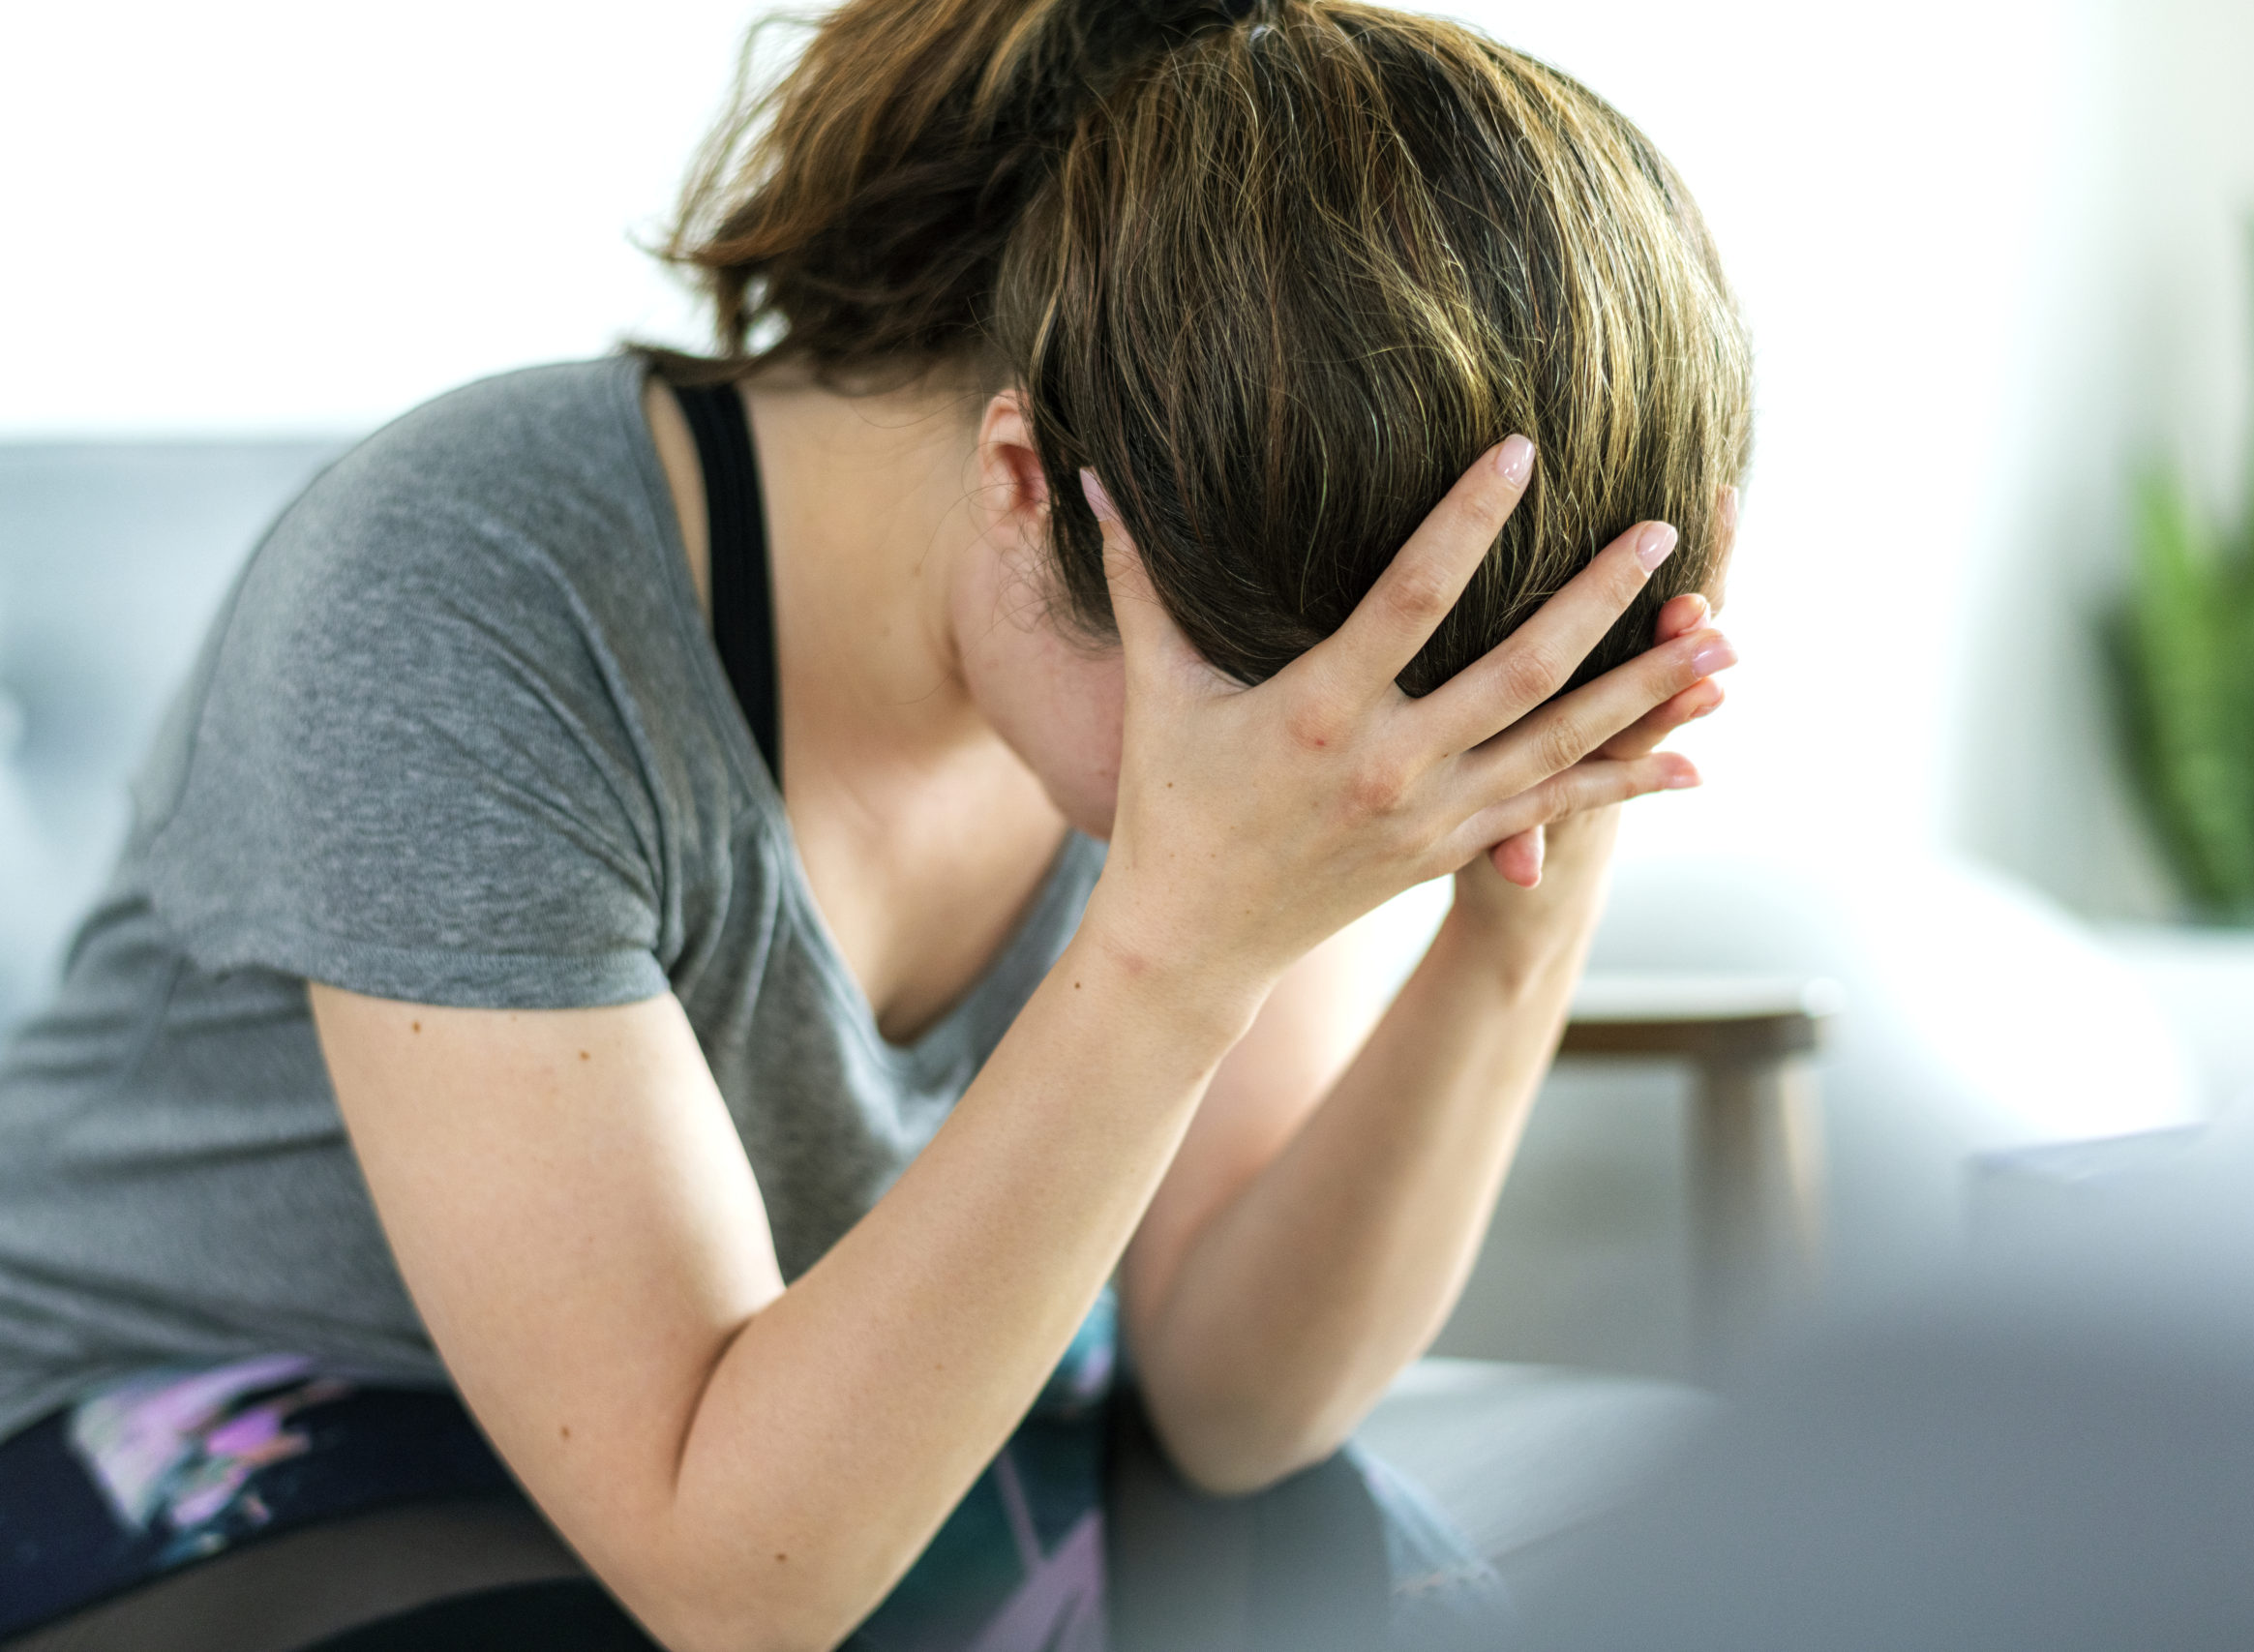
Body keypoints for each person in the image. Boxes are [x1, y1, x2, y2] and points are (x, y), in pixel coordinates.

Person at [0, 0, 1751, 1645]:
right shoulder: (466, 589)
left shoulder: (1237, 593)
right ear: (1017, 485)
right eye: (1308, 755)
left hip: (827, 1463)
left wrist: (1527, 906)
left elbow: (1232, 1408)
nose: (1350, 796)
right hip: (227, 1443)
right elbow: (729, 1583)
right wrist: (1172, 947)